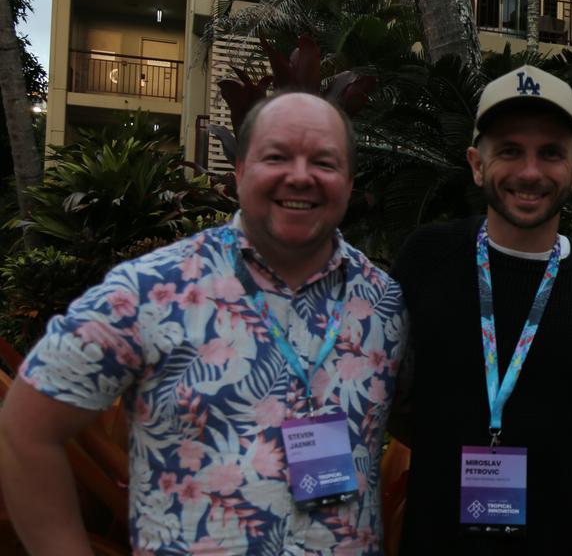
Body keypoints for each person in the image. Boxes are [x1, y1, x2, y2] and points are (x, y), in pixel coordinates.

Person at [0, 92, 407, 554]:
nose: (299, 175)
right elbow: (25, 430)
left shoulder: (384, 302)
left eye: (324, 162)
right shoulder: (151, 289)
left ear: (349, 182)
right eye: (276, 157)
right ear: (238, 172)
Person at [392, 65, 572, 554]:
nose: (529, 172)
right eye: (509, 151)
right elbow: (381, 389)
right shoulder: (425, 260)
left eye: (550, 153)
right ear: (477, 164)